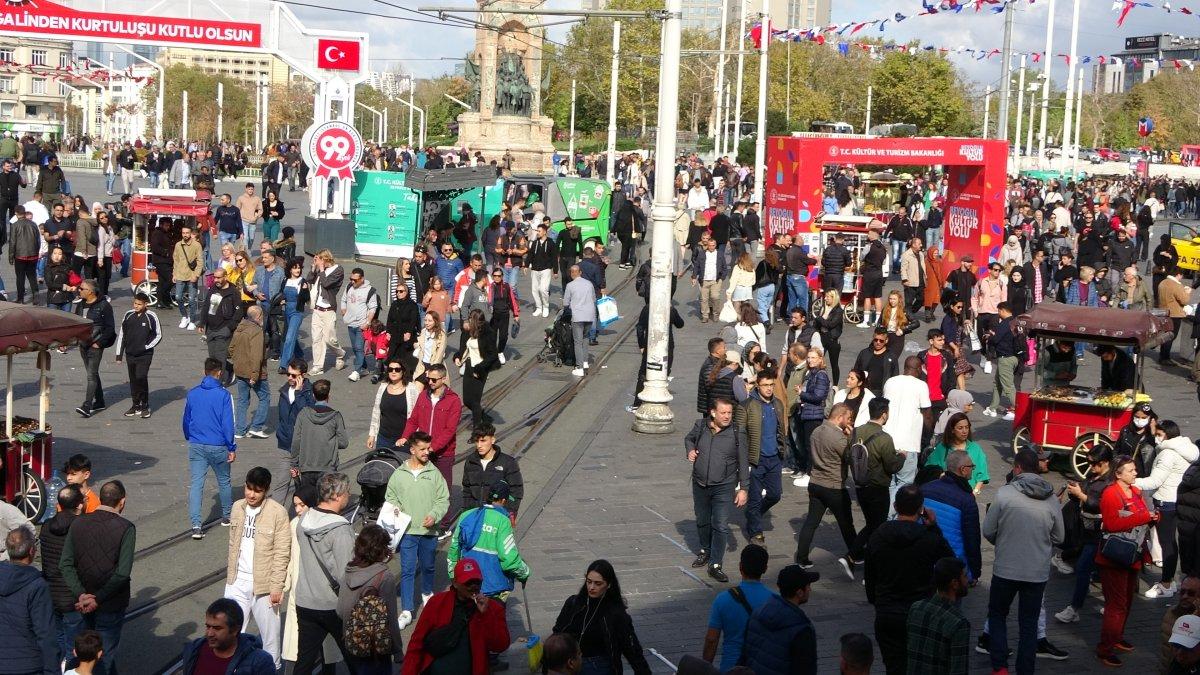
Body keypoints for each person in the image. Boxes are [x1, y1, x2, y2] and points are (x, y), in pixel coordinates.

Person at [982, 448, 1065, 674]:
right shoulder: (1051, 499)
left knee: (998, 614)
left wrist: (1004, 541)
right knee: (1028, 624)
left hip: (1005, 569)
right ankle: (1025, 670)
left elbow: (988, 530)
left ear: (1017, 468)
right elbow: (1060, 536)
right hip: (1036, 572)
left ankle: (999, 666)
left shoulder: (1004, 494)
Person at [864, 485, 955, 674]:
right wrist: (934, 528)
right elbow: (951, 563)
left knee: (894, 666)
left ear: (895, 506)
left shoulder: (878, 536)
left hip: (887, 612)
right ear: (921, 509)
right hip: (920, 612)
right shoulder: (928, 539)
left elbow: (870, 576)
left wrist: (877, 601)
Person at [60, 481, 135, 675]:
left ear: (100, 498)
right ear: (122, 501)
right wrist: (97, 598)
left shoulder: (78, 522)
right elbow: (122, 573)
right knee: (105, 655)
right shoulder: (126, 528)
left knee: (80, 654)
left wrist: (82, 595)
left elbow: (65, 564)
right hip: (110, 603)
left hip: (80, 603)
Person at [222, 467, 290, 669]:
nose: (251, 494)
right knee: (231, 632)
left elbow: (282, 552)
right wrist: (230, 578)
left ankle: (272, 669)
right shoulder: (237, 507)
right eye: (248, 488)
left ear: (266, 490)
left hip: (265, 584)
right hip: (237, 580)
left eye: (257, 490)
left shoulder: (278, 513)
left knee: (270, 637)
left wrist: (277, 585)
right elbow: (233, 543)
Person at [384, 431, 449, 628]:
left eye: (428, 448)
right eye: (422, 449)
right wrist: (395, 508)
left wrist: (435, 515)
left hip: (428, 532)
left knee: (428, 566)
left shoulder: (434, 473)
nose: (427, 452)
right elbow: (391, 497)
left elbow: (443, 499)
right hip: (408, 532)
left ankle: (427, 593)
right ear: (412, 450)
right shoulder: (399, 474)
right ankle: (406, 610)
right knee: (408, 570)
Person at [403, 558, 511, 675]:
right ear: (455, 583)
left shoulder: (492, 608)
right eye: (468, 583)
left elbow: (501, 645)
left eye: (477, 582)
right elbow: (416, 644)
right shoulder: (437, 603)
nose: (473, 586)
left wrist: (486, 615)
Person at [294, 473, 355, 674]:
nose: (349, 495)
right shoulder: (340, 529)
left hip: (305, 601)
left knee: (304, 659)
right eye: (347, 492)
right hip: (332, 605)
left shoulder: (304, 521)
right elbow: (345, 573)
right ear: (337, 496)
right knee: (354, 657)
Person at [686, 398, 749, 583]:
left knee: (720, 524)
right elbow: (688, 439)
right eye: (723, 413)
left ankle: (715, 564)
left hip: (724, 485)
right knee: (702, 520)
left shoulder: (738, 432)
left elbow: (743, 463)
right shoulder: (700, 426)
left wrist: (744, 488)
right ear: (713, 413)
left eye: (730, 413)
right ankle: (705, 550)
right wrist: (690, 450)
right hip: (700, 484)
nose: (727, 416)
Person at [552, 559, 651, 675]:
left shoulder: (615, 613)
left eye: (598, 583)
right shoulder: (574, 602)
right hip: (570, 663)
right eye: (589, 581)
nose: (591, 587)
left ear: (608, 585)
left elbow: (631, 648)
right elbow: (557, 633)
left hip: (598, 666)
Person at [795, 403, 859, 576]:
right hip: (834, 486)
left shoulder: (817, 431)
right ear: (840, 417)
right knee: (846, 524)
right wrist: (850, 437)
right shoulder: (837, 437)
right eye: (848, 418)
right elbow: (849, 457)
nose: (849, 421)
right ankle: (856, 554)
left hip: (816, 483)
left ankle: (801, 558)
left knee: (811, 522)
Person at [1138, 420, 1199, 599]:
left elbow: (1155, 481)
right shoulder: (1185, 448)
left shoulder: (1167, 454)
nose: (1157, 438)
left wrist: (1131, 482)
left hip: (1165, 501)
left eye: (1159, 434)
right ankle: (1169, 581)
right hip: (1177, 500)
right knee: (1170, 542)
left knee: (1167, 543)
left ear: (1168, 435)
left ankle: (1166, 583)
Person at [1055, 446, 1114, 624]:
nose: (1090, 467)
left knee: (1083, 568)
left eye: (1094, 463)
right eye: (1089, 463)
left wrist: (1082, 495)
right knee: (1101, 570)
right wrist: (1075, 491)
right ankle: (1113, 604)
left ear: (1105, 463)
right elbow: (1084, 494)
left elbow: (1103, 504)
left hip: (1101, 531)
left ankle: (1074, 608)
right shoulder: (1093, 475)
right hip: (1086, 530)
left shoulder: (1110, 481)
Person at [446, 480, 530, 602]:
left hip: (467, 585)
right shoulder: (502, 521)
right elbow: (509, 560)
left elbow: (454, 549)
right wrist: (524, 573)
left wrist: (454, 576)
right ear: (503, 501)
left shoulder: (466, 515)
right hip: (493, 587)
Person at [336, 525, 403, 674]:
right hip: (376, 649)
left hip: (353, 644)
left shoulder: (349, 571)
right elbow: (391, 618)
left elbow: (340, 610)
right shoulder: (383, 576)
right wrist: (398, 651)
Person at [183, 358, 237, 539]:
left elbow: (186, 419)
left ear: (205, 371)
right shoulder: (224, 395)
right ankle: (227, 515)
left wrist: (189, 436)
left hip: (197, 444)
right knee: (224, 480)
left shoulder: (192, 393)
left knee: (197, 483)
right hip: (218, 445)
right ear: (219, 372)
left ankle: (196, 525)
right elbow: (228, 424)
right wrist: (231, 446)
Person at [849, 398, 904, 565]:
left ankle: (856, 556)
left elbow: (848, 455)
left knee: (872, 524)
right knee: (877, 526)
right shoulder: (884, 438)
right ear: (884, 415)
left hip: (860, 485)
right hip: (878, 488)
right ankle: (856, 556)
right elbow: (892, 466)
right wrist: (901, 456)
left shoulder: (856, 431)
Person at [702, 544, 772, 671]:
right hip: (764, 667)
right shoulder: (775, 600)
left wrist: (704, 669)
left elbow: (711, 639)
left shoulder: (723, 599)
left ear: (740, 567)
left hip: (732, 668)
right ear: (765, 568)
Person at [736, 371, 786, 546]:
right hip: (756, 460)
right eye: (765, 385)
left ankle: (753, 513)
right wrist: (743, 460)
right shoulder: (747, 406)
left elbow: (781, 430)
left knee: (775, 495)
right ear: (758, 385)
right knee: (755, 498)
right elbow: (740, 436)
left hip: (774, 458)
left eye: (771, 385)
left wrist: (782, 451)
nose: (769, 388)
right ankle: (756, 532)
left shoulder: (778, 404)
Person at [0, 526, 57, 675]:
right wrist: (52, 670)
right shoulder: (37, 586)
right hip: (27, 664)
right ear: (32, 551)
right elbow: (46, 634)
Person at [742, 564, 819, 675]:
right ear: (799, 592)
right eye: (808, 585)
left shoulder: (756, 615)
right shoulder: (802, 630)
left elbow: (745, 657)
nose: (810, 589)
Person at [920, 450, 983, 583]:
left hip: (925, 557)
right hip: (953, 563)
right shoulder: (966, 500)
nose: (973, 470)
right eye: (972, 467)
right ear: (963, 470)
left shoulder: (925, 489)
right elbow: (972, 539)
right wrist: (975, 571)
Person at [905, 557, 971, 675]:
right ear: (954, 584)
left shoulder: (916, 608)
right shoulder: (959, 623)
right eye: (965, 576)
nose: (967, 580)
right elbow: (958, 669)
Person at [180, 598, 275, 675]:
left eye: (217, 628)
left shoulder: (259, 662)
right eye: (208, 626)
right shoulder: (194, 649)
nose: (209, 633)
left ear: (234, 630)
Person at [41, 483, 83, 657]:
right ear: (79, 505)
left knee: (58, 637)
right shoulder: (80, 528)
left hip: (52, 593)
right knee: (74, 645)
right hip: (73, 596)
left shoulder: (46, 526)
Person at [881, 355, 931, 500]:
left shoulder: (890, 382)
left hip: (887, 441)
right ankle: (892, 517)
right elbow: (927, 413)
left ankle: (886, 515)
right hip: (908, 444)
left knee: (889, 483)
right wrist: (930, 433)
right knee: (904, 484)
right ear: (919, 369)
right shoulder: (921, 385)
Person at [289, 379, 349, 493]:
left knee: (308, 501)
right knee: (325, 503)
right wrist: (328, 442)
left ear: (313, 395)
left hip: (307, 467)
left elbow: (296, 440)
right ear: (328, 395)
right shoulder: (335, 416)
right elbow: (344, 442)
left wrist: (294, 464)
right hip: (328, 467)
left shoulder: (303, 414)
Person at [113, 293, 161, 419]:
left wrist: (145, 346)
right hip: (130, 354)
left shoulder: (151, 316)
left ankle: (145, 405)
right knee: (133, 380)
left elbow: (158, 335)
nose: (136, 306)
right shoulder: (128, 315)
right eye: (135, 303)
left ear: (146, 304)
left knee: (141, 377)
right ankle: (135, 405)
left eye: (139, 304)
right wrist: (119, 355)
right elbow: (122, 334)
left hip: (145, 355)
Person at [461, 424, 524, 515]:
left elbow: (516, 491)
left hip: (498, 515)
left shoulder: (508, 462)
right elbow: (467, 490)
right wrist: (466, 512)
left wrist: (509, 513)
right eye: (476, 441)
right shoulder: (470, 461)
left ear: (493, 440)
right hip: (475, 514)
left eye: (483, 441)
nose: (479, 445)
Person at [75, 279, 115, 418]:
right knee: (93, 373)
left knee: (91, 375)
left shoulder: (104, 306)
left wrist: (100, 343)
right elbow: (75, 324)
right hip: (83, 344)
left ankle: (87, 406)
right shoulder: (80, 305)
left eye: (81, 289)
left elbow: (110, 328)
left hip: (95, 346)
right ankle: (100, 401)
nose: (79, 290)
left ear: (91, 292)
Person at [229, 305, 270, 439]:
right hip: (255, 372)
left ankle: (239, 430)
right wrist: (255, 374)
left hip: (240, 371)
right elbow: (257, 355)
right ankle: (256, 427)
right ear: (258, 317)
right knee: (264, 397)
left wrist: (237, 362)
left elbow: (231, 349)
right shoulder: (257, 331)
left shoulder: (240, 327)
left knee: (242, 400)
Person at [455, 308, 500, 428]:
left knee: (475, 401)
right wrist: (457, 357)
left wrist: (480, 368)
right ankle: (484, 417)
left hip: (480, 370)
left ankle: (476, 429)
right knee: (467, 401)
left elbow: (492, 355)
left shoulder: (487, 333)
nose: (468, 320)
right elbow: (463, 349)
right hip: (469, 367)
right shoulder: (467, 332)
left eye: (470, 318)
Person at [791, 347, 830, 488]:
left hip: (814, 414)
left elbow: (819, 396)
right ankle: (808, 471)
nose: (810, 360)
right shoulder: (811, 373)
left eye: (814, 357)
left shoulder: (820, 374)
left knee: (811, 445)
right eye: (809, 357)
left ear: (820, 359)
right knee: (808, 444)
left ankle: (811, 474)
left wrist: (802, 393)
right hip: (807, 413)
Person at [199, 267, 243, 385]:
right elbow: (206, 306)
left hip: (224, 329)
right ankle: (229, 369)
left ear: (225, 277)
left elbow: (239, 312)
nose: (216, 280)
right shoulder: (213, 289)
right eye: (215, 278)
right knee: (213, 357)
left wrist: (229, 327)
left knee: (220, 357)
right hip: (210, 329)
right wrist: (202, 322)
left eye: (219, 278)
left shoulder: (233, 292)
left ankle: (220, 381)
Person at [307, 250, 347, 375]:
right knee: (316, 339)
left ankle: (340, 353)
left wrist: (321, 268)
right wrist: (314, 268)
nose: (317, 261)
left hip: (328, 310)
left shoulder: (338, 270)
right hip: (317, 309)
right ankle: (318, 366)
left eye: (319, 259)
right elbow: (309, 279)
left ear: (325, 259)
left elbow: (326, 283)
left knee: (329, 340)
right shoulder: (320, 270)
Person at [984, 302, 1022, 420]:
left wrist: (989, 337)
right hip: (1015, 357)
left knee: (1008, 386)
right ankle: (993, 407)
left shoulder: (1005, 324)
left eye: (999, 311)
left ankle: (1020, 409)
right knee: (997, 383)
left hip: (1005, 358)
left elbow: (996, 340)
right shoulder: (1016, 322)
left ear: (1003, 310)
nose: (998, 314)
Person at [563, 265, 597, 377]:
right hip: (589, 315)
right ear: (580, 273)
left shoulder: (570, 286)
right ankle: (585, 362)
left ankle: (579, 367)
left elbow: (565, 303)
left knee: (577, 341)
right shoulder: (589, 284)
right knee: (585, 338)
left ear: (572, 273)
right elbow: (594, 298)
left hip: (577, 316)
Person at [172, 225, 204, 330]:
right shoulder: (178, 245)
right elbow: (175, 260)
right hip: (180, 274)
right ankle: (185, 316)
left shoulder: (196, 245)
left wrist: (196, 275)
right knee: (178, 297)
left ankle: (192, 320)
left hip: (192, 275)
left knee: (191, 299)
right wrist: (174, 274)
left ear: (191, 233)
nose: (185, 235)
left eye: (187, 233)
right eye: (183, 233)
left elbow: (200, 261)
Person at [1159, 266, 1191, 365]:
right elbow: (1184, 300)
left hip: (1163, 312)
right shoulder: (1176, 285)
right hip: (1175, 314)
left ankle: (1163, 355)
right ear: (1178, 275)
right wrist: (1187, 292)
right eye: (1181, 276)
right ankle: (1165, 357)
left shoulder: (1163, 282)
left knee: (1165, 334)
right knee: (1171, 335)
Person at [692, 236, 727, 323]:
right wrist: (694, 277)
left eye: (713, 245)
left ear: (715, 245)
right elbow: (696, 266)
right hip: (704, 279)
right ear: (707, 245)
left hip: (716, 280)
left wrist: (722, 278)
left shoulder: (719, 254)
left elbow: (724, 267)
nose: (712, 247)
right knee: (704, 299)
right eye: (710, 245)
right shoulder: (702, 254)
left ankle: (715, 314)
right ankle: (705, 315)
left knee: (715, 297)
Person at [814, 288, 845, 383]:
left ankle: (835, 385)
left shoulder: (838, 311)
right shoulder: (823, 308)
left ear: (833, 298)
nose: (825, 298)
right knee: (817, 361)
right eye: (825, 296)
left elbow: (830, 324)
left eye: (828, 297)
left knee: (834, 364)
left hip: (832, 339)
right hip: (822, 337)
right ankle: (816, 381)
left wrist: (819, 318)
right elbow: (817, 324)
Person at [527, 223, 558, 317]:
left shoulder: (551, 243)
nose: (537, 233)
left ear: (544, 232)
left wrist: (555, 271)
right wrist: (525, 265)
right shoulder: (535, 243)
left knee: (543, 289)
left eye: (539, 231)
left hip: (546, 269)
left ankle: (545, 307)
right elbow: (530, 255)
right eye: (537, 231)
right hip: (535, 269)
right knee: (534, 289)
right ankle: (538, 307)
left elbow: (554, 258)